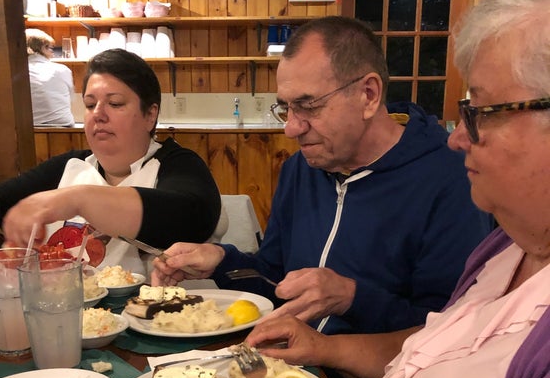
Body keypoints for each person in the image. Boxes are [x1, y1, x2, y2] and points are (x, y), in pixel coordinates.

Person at [243, 0, 550, 378]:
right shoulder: (509, 249)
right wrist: (322, 348)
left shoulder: (444, 187)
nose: (457, 138)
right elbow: (435, 345)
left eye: (479, 113)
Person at [151, 16, 493, 335]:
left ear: (368, 95)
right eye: (286, 107)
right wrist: (222, 261)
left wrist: (350, 297)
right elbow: (275, 278)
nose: (291, 128)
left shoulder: (450, 177)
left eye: (309, 106)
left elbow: (450, 331)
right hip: (296, 365)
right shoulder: (301, 168)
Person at [0, 49, 222, 273]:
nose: (98, 115)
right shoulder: (71, 166)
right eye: (90, 105)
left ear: (150, 115)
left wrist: (77, 199)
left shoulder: (178, 164)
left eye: (115, 104)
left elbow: (192, 217)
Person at [25, 28, 75, 127]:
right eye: (50, 48)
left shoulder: (16, 72)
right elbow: (71, 99)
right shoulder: (62, 70)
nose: (52, 53)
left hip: (29, 129)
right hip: (64, 127)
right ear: (43, 48)